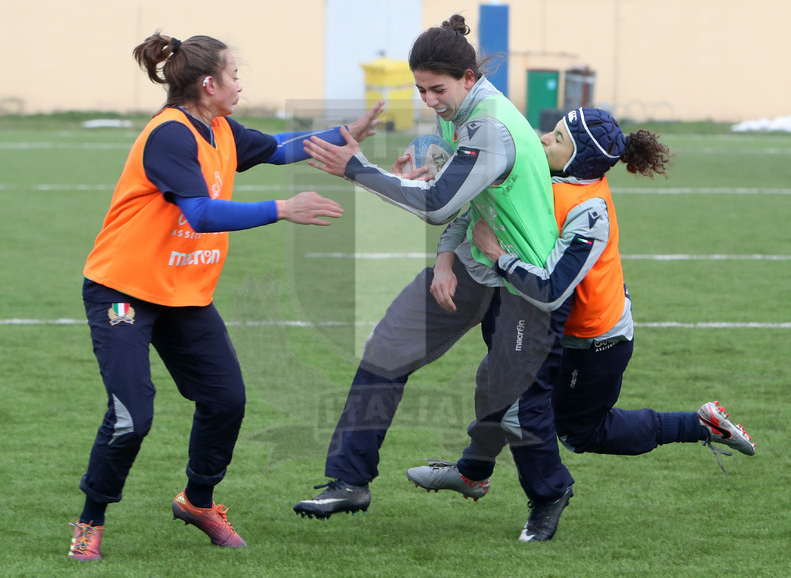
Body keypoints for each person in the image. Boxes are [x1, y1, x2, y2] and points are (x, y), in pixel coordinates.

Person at [68, 32, 383, 561]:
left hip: (183, 294)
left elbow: (278, 147)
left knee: (225, 400)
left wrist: (344, 133)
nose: (241, 85)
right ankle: (90, 520)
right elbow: (200, 214)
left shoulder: (220, 129)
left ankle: (197, 501)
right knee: (132, 416)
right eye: (235, 75)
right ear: (209, 84)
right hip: (122, 292)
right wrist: (282, 209)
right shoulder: (170, 135)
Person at [406, 107, 756, 539]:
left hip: (594, 341)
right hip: (550, 327)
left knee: (582, 432)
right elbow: (478, 207)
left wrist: (498, 257)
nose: (544, 139)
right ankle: (472, 473)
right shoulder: (547, 177)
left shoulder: (589, 210)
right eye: (551, 132)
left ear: (578, 159)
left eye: (558, 139)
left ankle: (699, 425)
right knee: (498, 385)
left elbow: (552, 288)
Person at [292, 15, 575, 541]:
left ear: (468, 78)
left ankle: (548, 493)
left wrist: (357, 168)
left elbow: (438, 204)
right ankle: (349, 481)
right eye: (421, 89)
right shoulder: (459, 114)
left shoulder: (490, 125)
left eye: (437, 89)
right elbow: (466, 202)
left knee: (511, 402)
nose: (429, 100)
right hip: (472, 266)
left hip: (523, 284)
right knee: (385, 351)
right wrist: (445, 259)